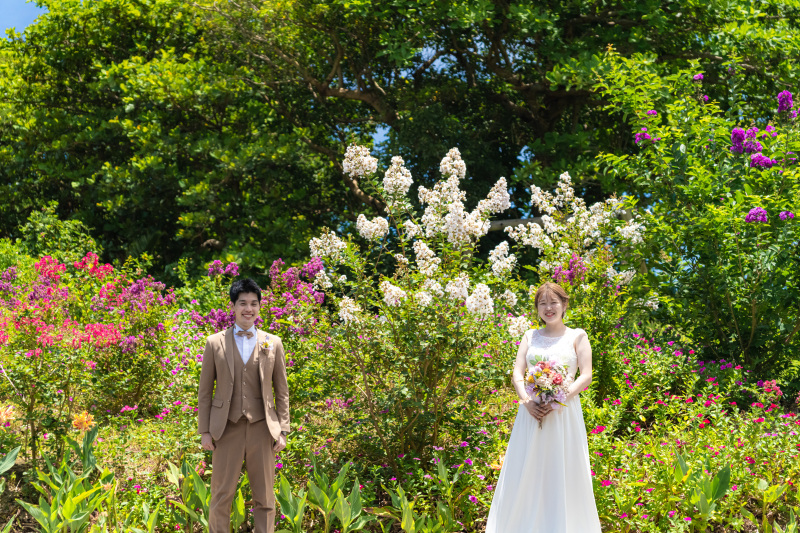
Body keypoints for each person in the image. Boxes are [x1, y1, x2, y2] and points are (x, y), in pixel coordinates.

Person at [486, 281, 602, 533]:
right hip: (531, 412)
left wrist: (559, 397)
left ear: (564, 305)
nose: (548, 308)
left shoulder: (577, 335)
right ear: (537, 308)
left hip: (563, 412)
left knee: (561, 468)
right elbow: (517, 373)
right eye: (542, 303)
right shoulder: (530, 336)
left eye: (553, 302)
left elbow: (586, 376)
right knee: (528, 467)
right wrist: (526, 402)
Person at [197, 278, 291, 533]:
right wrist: (204, 430)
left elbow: (282, 391)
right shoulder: (214, 342)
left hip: (263, 428)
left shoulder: (274, 342)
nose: (248, 309)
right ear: (233, 306)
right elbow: (205, 392)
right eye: (243, 304)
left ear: (260, 307)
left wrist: (283, 430)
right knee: (221, 495)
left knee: (266, 498)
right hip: (226, 428)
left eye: (253, 303)